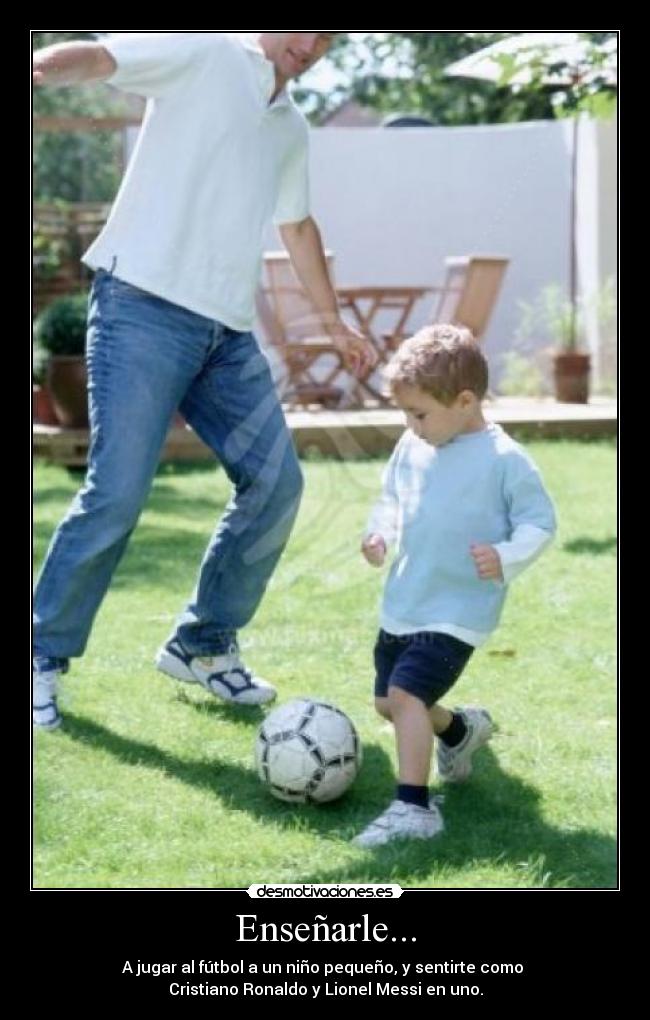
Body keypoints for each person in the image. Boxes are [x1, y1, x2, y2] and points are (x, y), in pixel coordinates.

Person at [32, 32, 375, 730]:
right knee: (118, 492)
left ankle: (203, 643)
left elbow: (299, 224)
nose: (310, 45)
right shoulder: (205, 54)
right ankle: (42, 652)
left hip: (225, 331)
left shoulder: (289, 123)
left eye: (327, 37)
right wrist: (40, 67)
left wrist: (334, 322)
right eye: (302, 29)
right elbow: (102, 59)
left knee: (277, 484)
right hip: (142, 308)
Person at [354, 324, 556, 848]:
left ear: (465, 401)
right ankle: (460, 732)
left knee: (404, 696)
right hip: (406, 598)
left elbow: (540, 522)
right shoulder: (412, 444)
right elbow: (391, 498)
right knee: (388, 703)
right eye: (406, 413)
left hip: (458, 611)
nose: (411, 424)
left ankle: (414, 809)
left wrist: (506, 556)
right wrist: (379, 533)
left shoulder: (504, 459)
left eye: (419, 413)